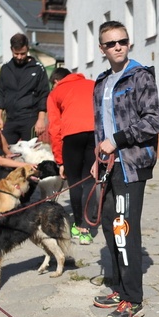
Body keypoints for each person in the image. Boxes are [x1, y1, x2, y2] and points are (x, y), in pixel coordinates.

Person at [91, 20, 159, 317]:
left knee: (125, 229)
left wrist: (117, 141)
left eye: (122, 41)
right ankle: (119, 288)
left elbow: (154, 120)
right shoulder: (102, 82)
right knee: (109, 223)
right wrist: (98, 154)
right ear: (102, 48)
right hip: (108, 165)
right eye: (111, 43)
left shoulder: (140, 76)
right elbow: (100, 125)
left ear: (129, 43)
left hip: (132, 164)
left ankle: (134, 299)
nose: (118, 46)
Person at [46, 66, 96, 245]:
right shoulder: (92, 84)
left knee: (75, 181)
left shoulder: (55, 93)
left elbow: (54, 128)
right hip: (94, 133)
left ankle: (78, 226)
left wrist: (60, 161)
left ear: (56, 81)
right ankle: (87, 228)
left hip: (71, 136)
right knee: (89, 180)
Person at [0, 33, 51, 145]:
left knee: (30, 155)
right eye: (16, 54)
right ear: (11, 50)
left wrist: (41, 119)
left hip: (30, 119)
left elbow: (43, 95)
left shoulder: (38, 68)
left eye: (22, 54)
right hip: (11, 119)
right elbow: (0, 93)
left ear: (27, 49)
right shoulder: (6, 69)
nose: (19, 57)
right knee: (2, 151)